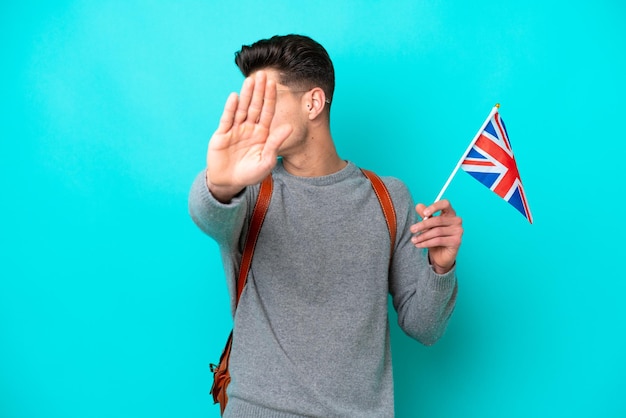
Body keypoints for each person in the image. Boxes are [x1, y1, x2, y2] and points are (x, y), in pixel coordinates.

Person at [189, 34, 463, 417]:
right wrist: (220, 183)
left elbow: (425, 328)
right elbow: (209, 213)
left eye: (265, 101)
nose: (252, 116)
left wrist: (441, 267)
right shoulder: (249, 193)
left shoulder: (388, 198)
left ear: (313, 103)